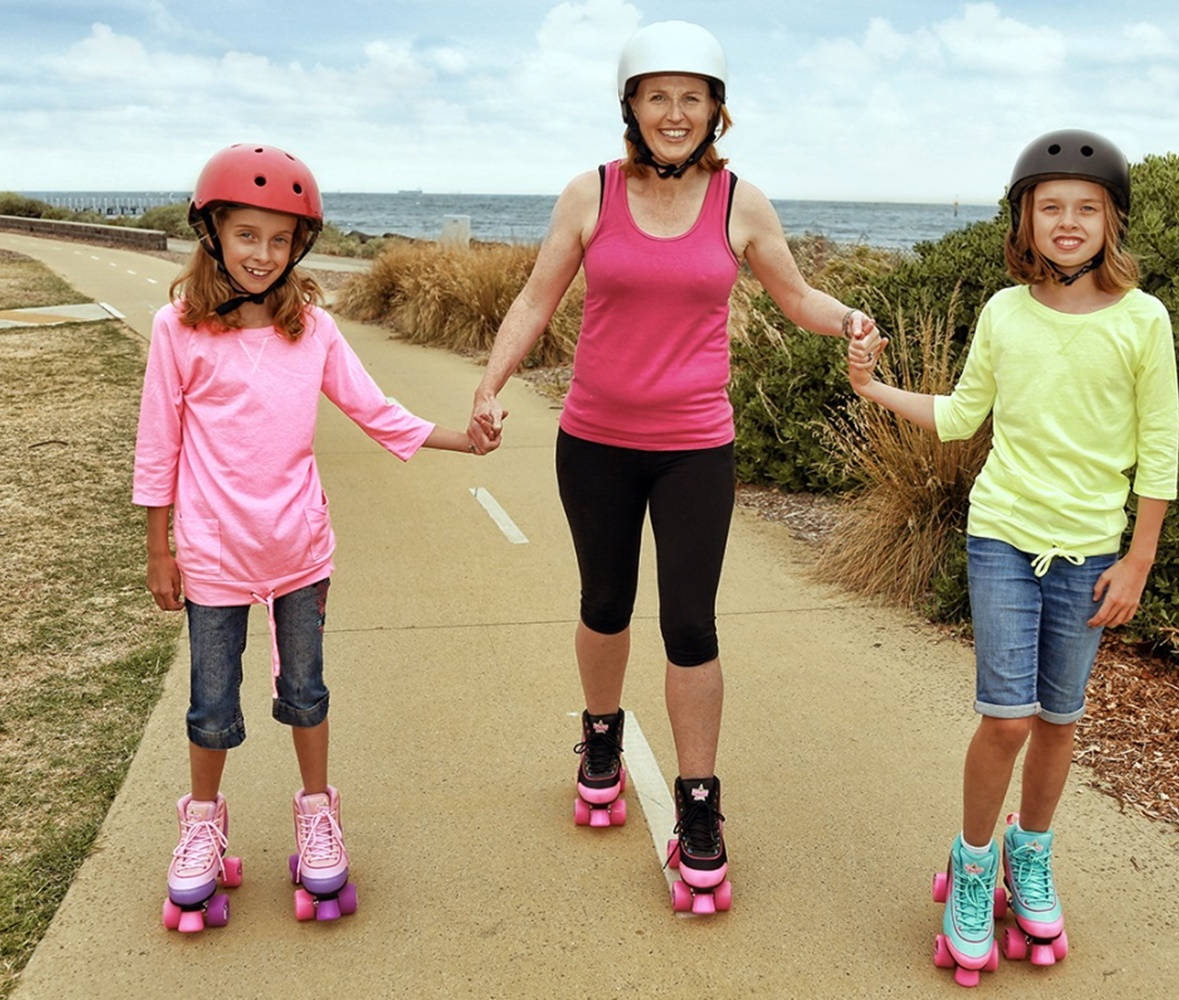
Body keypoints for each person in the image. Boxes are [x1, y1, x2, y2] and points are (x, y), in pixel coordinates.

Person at [465, 20, 873, 911]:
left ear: (717, 112)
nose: (675, 112)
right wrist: (490, 385)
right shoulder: (589, 195)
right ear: (631, 107)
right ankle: (601, 738)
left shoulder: (741, 204)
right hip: (595, 442)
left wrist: (847, 319)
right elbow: (536, 299)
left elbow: (795, 295)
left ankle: (697, 803)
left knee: (690, 624)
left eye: (692, 97)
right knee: (604, 603)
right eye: (658, 95)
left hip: (695, 447)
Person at [847, 130, 1179, 982]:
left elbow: (1159, 451)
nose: (1066, 222)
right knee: (1006, 717)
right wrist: (872, 389)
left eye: (1085, 209)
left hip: (1090, 552)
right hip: (1001, 537)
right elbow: (962, 416)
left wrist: (1137, 559)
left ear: (1111, 222)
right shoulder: (1004, 311)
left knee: (1059, 720)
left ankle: (1029, 858)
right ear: (1024, 221)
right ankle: (972, 862)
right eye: (1049, 207)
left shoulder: (1144, 320)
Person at [134, 143, 489, 932]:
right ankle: (201, 823)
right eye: (246, 234)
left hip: (298, 550)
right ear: (212, 234)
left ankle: (317, 815)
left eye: (279, 239)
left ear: (301, 247)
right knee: (211, 706)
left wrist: (461, 439)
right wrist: (159, 548)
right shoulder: (177, 329)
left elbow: (374, 408)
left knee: (305, 693)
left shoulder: (313, 330)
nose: (263, 253)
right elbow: (157, 444)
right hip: (214, 554)